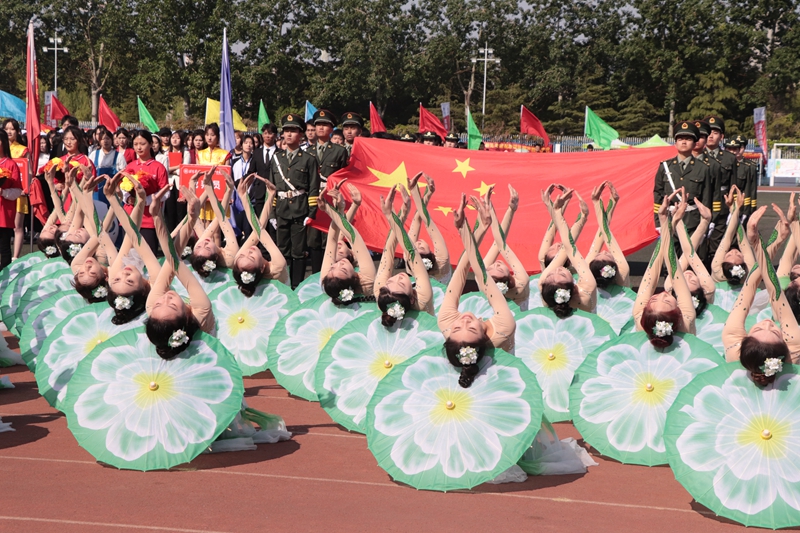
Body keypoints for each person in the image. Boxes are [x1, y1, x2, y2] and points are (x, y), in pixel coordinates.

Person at [438, 193, 515, 387]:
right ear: (484, 336)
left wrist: (477, 228)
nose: (464, 321)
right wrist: (466, 230)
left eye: (457, 328)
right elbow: (482, 275)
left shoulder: (447, 323)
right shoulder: (504, 327)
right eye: (472, 328)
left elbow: (461, 271)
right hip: (503, 383)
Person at [724, 204, 800, 385]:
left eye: (758, 329)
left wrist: (763, 243)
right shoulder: (793, 351)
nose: (767, 323)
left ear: (743, 342)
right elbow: (775, 292)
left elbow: (751, 286)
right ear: (785, 347)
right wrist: (762, 243)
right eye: (775, 331)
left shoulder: (734, 350)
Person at [633, 190, 696, 347]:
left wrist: (667, 222)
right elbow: (674, 268)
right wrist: (667, 222)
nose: (662, 294)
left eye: (654, 299)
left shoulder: (640, 321)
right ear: (678, 315)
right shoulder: (686, 323)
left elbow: (652, 273)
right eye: (667, 300)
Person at [269, 114, 320, 288]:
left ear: (301, 134)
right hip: (281, 209)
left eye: (293, 131)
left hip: (300, 210)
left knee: (298, 252)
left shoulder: (309, 159)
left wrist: (311, 213)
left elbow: (313, 188)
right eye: (286, 131)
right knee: (282, 251)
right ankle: (283, 285)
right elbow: (272, 189)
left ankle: (296, 286)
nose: (289, 134)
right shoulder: (277, 158)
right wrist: (272, 213)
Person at [373, 184, 434, 324]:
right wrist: (390, 216)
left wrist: (401, 215)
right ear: (412, 299)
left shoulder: (382, 295)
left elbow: (388, 252)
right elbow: (412, 253)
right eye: (401, 284)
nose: (397, 277)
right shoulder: (422, 300)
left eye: (390, 281)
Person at [540, 185, 597, 318]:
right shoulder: (586, 291)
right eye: (562, 274)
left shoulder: (546, 292)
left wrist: (554, 209)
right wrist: (583, 216)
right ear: (574, 286)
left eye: (550, 273)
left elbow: (568, 247)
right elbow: (569, 247)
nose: (557, 269)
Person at [653, 121, 712, 243]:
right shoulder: (665, 166)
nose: (684, 142)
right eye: (680, 139)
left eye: (688, 139)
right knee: (669, 254)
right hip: (669, 220)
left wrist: (704, 225)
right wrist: (659, 223)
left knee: (691, 254)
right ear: (675, 143)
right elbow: (658, 195)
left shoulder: (703, 168)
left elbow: (706, 199)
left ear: (694, 143)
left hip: (693, 222)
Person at [306, 109, 349, 273]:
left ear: (331, 129)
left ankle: (330, 273)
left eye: (325, 125)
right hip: (313, 199)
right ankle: (316, 274)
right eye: (318, 125)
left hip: (330, 200)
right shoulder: (307, 152)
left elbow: (344, 176)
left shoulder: (339, 151)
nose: (320, 128)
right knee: (313, 240)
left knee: (329, 238)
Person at [231, 173, 288, 294]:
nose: (248, 252)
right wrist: (244, 198)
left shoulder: (240, 263)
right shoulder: (277, 267)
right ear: (262, 268)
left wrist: (269, 196)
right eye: (251, 257)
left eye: (242, 255)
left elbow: (257, 232)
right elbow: (260, 231)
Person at [318, 183, 376, 303]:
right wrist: (329, 209)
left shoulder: (328, 280)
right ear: (354, 278)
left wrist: (338, 209)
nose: (339, 263)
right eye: (343, 269)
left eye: (333, 267)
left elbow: (333, 239)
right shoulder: (366, 282)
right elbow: (354, 237)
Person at [122, 130, 169, 254]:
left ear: (151, 144)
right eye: (136, 144)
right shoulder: (130, 166)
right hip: (130, 215)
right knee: (126, 255)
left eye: (142, 144)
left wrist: (146, 201)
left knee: (148, 255)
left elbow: (165, 193)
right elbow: (123, 187)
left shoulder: (158, 167)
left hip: (149, 219)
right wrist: (127, 198)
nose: (139, 147)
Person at [704, 115, 737, 262]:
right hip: (702, 204)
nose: (711, 136)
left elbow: (734, 186)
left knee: (717, 245)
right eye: (708, 132)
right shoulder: (697, 156)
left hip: (722, 207)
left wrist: (733, 210)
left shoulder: (729, 158)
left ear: (721, 136)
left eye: (715, 132)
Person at [0, 130, 24, 268]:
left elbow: (17, 191)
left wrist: (3, 192)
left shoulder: (11, 164)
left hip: (4, 214)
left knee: (4, 248)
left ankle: (5, 277)